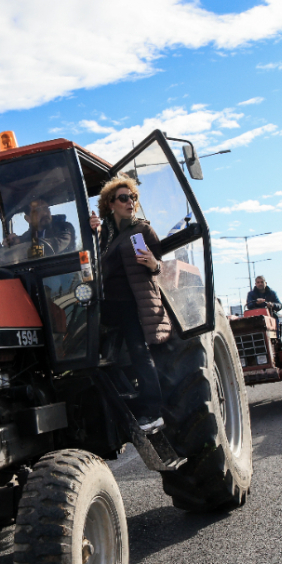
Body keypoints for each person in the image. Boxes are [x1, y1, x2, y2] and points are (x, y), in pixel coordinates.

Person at [89, 175, 170, 434]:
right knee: (99, 356)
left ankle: (154, 412)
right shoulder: (104, 234)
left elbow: (162, 267)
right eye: (124, 198)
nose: (130, 202)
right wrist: (92, 231)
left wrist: (154, 265)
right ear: (110, 203)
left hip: (134, 303)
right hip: (110, 305)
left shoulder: (143, 230)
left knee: (140, 354)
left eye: (133, 197)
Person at [4, 198, 76, 256]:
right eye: (37, 210)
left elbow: (54, 246)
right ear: (28, 219)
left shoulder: (64, 228)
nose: (44, 213)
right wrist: (12, 244)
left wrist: (21, 246)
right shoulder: (25, 237)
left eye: (46, 208)